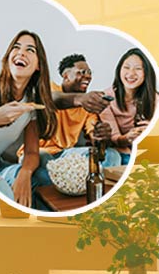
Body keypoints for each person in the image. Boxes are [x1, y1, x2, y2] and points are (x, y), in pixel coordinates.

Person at [0, 30, 58, 208]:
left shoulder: (31, 106)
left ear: (38, 66)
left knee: (43, 177)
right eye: (16, 47)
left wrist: (25, 173)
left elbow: (32, 152)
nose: (21, 53)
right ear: (8, 57)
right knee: (6, 188)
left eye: (30, 50)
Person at [28, 54, 119, 182]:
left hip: (66, 155)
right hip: (38, 152)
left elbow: (93, 133)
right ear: (66, 75)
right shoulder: (50, 88)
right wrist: (79, 99)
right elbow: (51, 99)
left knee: (113, 155)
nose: (88, 76)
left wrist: (101, 135)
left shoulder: (87, 106)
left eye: (89, 72)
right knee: (44, 164)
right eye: (82, 72)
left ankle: (93, 190)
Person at [100, 48, 158, 165]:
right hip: (121, 152)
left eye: (138, 69)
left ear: (147, 73)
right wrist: (127, 138)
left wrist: (152, 130)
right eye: (126, 67)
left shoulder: (155, 99)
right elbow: (114, 138)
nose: (131, 73)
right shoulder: (106, 98)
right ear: (119, 70)